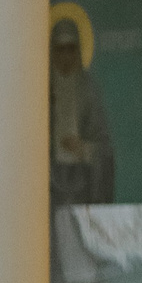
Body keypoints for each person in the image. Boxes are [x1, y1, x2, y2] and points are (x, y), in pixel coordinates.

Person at [52, 12, 116, 206]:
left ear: (78, 50)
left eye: (70, 49)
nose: (65, 56)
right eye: (60, 49)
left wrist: (84, 149)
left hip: (83, 183)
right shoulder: (42, 89)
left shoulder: (88, 89)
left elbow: (104, 149)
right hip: (50, 184)